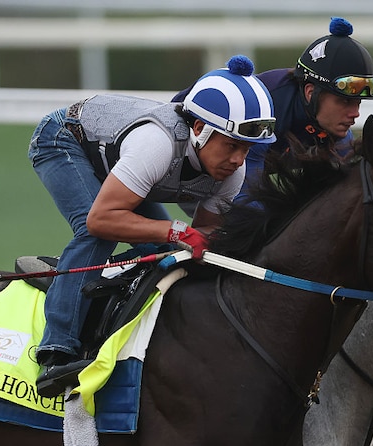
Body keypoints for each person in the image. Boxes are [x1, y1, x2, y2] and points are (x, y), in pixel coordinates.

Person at [28, 55, 276, 398]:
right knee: (97, 233)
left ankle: (106, 300)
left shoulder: (233, 172)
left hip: (120, 162)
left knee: (170, 253)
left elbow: (202, 237)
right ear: (199, 129)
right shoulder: (157, 144)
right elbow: (101, 219)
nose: (238, 160)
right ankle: (56, 350)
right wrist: (175, 230)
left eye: (247, 149)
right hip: (65, 139)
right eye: (232, 146)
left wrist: (187, 240)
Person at [174, 17, 373, 203]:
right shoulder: (268, 110)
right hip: (177, 157)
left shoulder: (336, 130)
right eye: (345, 101)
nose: (355, 113)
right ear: (310, 92)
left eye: (358, 103)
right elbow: (245, 200)